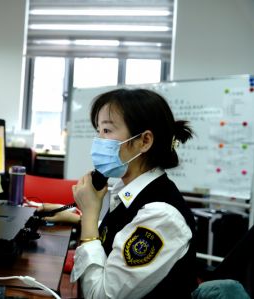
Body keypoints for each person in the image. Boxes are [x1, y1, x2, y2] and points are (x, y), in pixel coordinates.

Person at [39, 88, 197, 298]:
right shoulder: (128, 189)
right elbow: (122, 234)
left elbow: (98, 294)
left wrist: (89, 215)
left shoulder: (161, 216)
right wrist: (79, 219)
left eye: (106, 131)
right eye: (98, 131)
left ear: (144, 141)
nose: (98, 140)